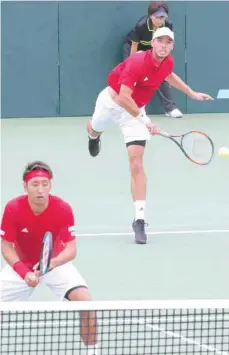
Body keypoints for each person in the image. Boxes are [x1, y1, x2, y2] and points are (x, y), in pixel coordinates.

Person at [87, 27, 213, 245]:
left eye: (168, 42)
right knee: (93, 128)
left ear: (172, 46)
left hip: (135, 113)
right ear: (152, 43)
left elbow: (169, 76)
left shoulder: (167, 62)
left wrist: (191, 93)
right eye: (160, 41)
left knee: (136, 163)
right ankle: (94, 137)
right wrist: (146, 122)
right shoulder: (137, 62)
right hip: (111, 103)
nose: (164, 45)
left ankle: (139, 218)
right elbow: (123, 98)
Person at [0, 161, 99, 355]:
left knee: (86, 303)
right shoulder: (13, 208)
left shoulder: (62, 208)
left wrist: (49, 264)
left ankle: (93, 352)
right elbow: (6, 247)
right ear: (25, 186)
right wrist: (24, 272)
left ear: (50, 185)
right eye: (35, 184)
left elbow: (71, 250)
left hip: (55, 264)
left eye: (45, 184)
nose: (40, 190)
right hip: (22, 266)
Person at [123, 1, 183, 118]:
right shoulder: (141, 25)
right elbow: (134, 46)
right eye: (158, 17)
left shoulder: (168, 25)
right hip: (134, 48)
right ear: (151, 16)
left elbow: (166, 43)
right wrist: (132, 64)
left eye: (163, 17)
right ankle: (132, 107)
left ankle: (170, 108)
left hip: (153, 49)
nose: (161, 20)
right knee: (132, 76)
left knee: (161, 73)